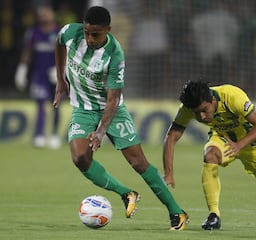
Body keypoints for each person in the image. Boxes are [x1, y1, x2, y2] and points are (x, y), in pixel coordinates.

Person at [52, 6, 188, 230]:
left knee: (138, 162)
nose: (89, 38)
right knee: (80, 158)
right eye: (87, 32)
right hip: (83, 109)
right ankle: (126, 193)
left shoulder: (115, 54)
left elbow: (113, 99)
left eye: (95, 34)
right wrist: (60, 79)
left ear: (108, 29)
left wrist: (101, 131)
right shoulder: (70, 32)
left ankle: (177, 212)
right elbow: (58, 43)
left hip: (112, 112)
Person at [163, 80, 256, 230]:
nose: (202, 117)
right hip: (224, 138)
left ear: (212, 100)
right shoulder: (188, 108)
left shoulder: (232, 96)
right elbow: (171, 137)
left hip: (252, 142)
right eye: (196, 113)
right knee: (210, 155)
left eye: (204, 110)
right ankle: (214, 215)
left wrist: (239, 145)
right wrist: (169, 173)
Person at [15, 5, 61, 149]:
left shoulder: (60, 32)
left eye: (47, 14)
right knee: (40, 105)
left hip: (56, 75)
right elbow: (27, 52)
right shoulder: (33, 33)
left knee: (56, 105)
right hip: (39, 75)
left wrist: (61, 70)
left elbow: (69, 53)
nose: (44, 17)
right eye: (41, 15)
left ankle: (54, 135)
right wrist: (21, 69)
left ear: (52, 15)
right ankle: (39, 135)